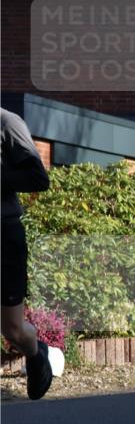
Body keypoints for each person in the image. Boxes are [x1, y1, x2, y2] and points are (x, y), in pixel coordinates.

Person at [1, 108, 53, 400]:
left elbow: (38, 178)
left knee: (12, 330)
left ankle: (37, 354)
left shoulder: (7, 123)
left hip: (4, 235)